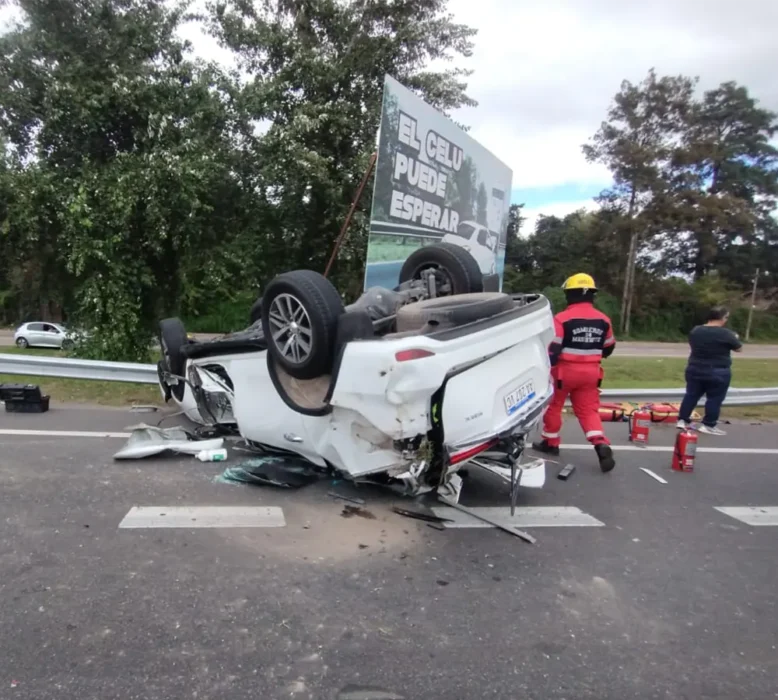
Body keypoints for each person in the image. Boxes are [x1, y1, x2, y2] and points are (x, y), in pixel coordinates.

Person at [532, 273, 616, 473]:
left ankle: (551, 443)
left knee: (554, 406)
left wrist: (547, 368)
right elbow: (609, 347)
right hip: (591, 373)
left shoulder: (561, 319)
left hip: (564, 372)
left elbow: (553, 348)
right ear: (591, 295)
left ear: (569, 295)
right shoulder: (604, 320)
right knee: (588, 411)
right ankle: (600, 443)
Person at [677, 306, 742, 436]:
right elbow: (738, 348)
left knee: (691, 395)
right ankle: (708, 424)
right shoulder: (726, 333)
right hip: (717, 370)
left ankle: (682, 420)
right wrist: (735, 337)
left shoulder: (696, 330)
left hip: (694, 368)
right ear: (723, 318)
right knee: (714, 399)